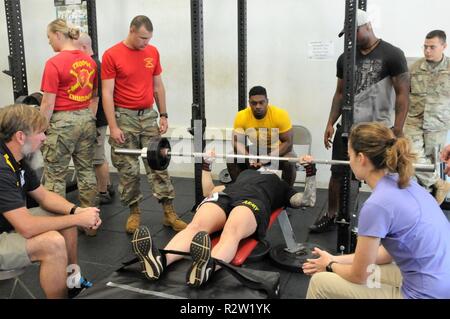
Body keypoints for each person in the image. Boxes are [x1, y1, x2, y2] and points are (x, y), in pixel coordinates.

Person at [303, 122, 450, 299]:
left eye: (349, 155)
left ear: (361, 158)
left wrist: (329, 266)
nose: (349, 161)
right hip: (439, 285)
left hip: (424, 294)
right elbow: (387, 255)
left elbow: (359, 276)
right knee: (371, 272)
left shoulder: (377, 205)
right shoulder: (406, 183)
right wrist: (334, 259)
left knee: (321, 281)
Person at [131, 154, 316, 287]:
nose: (257, 160)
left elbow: (308, 200)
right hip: (226, 196)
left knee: (232, 232)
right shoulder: (242, 176)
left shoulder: (282, 185)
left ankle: (207, 265)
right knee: (196, 226)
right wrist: (206, 166)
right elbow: (209, 190)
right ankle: (160, 260)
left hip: (253, 202)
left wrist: (310, 171)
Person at [314, 9, 410, 233]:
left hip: (378, 129)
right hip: (348, 128)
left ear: (367, 26)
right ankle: (331, 214)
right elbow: (339, 93)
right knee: (337, 172)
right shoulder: (345, 57)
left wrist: (398, 128)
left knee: (381, 176)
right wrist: (330, 123)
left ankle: (384, 222)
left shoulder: (393, 54)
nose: (350, 39)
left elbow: (403, 93)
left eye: (353, 33)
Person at [0, 104, 102, 299]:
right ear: (21, 137)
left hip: (9, 223)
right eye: (40, 132)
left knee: (66, 216)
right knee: (52, 243)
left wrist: (77, 211)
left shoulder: (17, 157)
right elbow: (27, 227)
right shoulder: (2, 168)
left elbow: (43, 196)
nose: (44, 137)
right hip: (5, 233)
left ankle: (73, 282)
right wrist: (77, 220)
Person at [102, 15, 186, 234]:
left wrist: (164, 114)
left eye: (148, 39)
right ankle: (134, 213)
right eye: (142, 38)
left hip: (148, 115)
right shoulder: (112, 55)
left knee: (159, 163)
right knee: (127, 169)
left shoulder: (152, 52)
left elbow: (158, 86)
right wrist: (113, 126)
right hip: (124, 117)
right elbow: (107, 93)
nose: (145, 43)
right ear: (131, 30)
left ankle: (169, 213)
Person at [39, 19, 99, 236]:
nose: (49, 42)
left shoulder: (53, 63)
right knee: (85, 170)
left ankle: (57, 226)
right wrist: (85, 118)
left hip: (62, 122)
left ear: (58, 34)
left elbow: (47, 103)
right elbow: (93, 97)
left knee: (55, 176)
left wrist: (40, 130)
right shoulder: (89, 61)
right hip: (85, 118)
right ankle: (90, 223)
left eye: (49, 38)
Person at [405, 30, 450, 205]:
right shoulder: (415, 68)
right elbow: (405, 93)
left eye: (432, 47)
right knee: (412, 155)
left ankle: (428, 202)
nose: (427, 51)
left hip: (438, 124)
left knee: (430, 162)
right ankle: (438, 183)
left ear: (443, 46)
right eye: (425, 47)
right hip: (415, 120)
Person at [227, 86, 297, 186]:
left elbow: (288, 143)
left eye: (261, 102)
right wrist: (249, 157)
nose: (258, 106)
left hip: (278, 149)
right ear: (249, 103)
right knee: (231, 157)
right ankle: (240, 189)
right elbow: (237, 142)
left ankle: (287, 194)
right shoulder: (242, 116)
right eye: (254, 103)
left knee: (290, 161)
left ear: (267, 101)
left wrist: (268, 157)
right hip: (256, 149)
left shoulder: (280, 115)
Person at [75, 33, 115, 205]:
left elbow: (95, 98)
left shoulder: (94, 66)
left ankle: (103, 191)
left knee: (97, 159)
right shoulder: (91, 64)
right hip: (92, 118)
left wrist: (89, 122)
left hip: (96, 119)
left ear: (84, 47)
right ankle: (107, 185)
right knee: (97, 157)